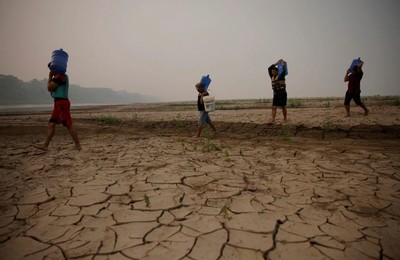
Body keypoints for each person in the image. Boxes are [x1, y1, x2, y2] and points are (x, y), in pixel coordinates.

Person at [33, 69, 81, 151]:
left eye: (52, 69)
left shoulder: (61, 76)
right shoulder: (58, 77)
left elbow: (50, 88)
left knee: (68, 124)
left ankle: (78, 145)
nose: (51, 70)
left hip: (62, 103)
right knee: (51, 123)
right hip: (58, 103)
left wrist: (49, 77)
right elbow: (51, 87)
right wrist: (51, 77)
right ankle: (45, 145)